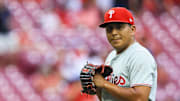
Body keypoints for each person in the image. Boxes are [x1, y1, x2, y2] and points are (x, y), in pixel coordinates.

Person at [93, 7, 157, 101]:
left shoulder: (140, 56)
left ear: (132, 30)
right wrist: (98, 88)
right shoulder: (111, 56)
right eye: (109, 29)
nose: (114, 33)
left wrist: (105, 84)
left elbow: (140, 98)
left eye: (119, 27)